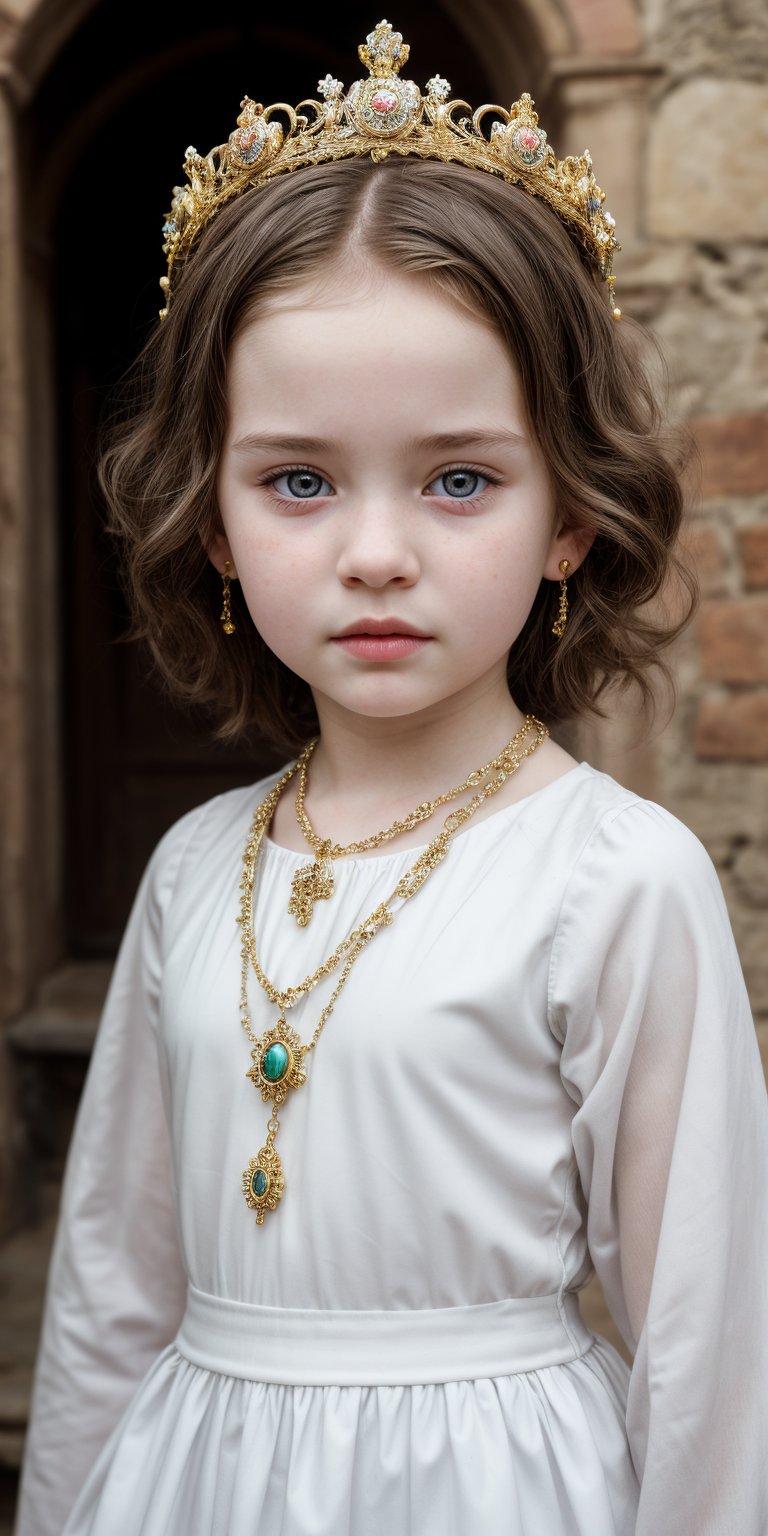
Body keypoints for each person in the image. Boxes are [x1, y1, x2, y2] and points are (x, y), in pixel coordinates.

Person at [14, 20, 768, 1536]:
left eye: (459, 479)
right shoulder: (193, 866)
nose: (374, 550)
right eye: (299, 479)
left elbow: (705, 1348)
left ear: (570, 515)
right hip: (191, 1485)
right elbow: (110, 1287)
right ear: (214, 522)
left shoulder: (613, 878)